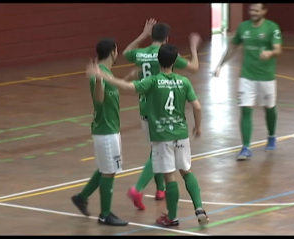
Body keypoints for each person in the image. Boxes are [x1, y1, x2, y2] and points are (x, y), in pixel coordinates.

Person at [86, 43, 209, 228]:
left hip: (161, 135)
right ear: (175, 61)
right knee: (186, 170)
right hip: (181, 134)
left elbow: (127, 87)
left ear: (158, 61)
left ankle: (172, 217)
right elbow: (197, 107)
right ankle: (199, 209)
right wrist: (198, 128)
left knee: (170, 177)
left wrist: (105, 77)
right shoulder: (184, 82)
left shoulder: (153, 81)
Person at [122, 19, 201, 210]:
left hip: (144, 107)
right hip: (162, 111)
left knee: (156, 148)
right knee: (158, 151)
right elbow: (194, 68)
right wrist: (193, 46)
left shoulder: (141, 53)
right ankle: (138, 188)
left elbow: (125, 53)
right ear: (167, 38)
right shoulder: (166, 53)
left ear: (152, 35)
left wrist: (142, 34)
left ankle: (160, 189)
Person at [213, 3, 283, 161]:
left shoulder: (272, 27)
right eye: (252, 10)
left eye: (257, 10)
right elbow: (232, 47)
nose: (254, 13)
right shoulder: (243, 27)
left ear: (264, 11)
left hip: (266, 76)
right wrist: (220, 65)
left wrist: (270, 52)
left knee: (269, 108)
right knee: (245, 110)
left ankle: (272, 135)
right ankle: (246, 147)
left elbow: (278, 49)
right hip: (247, 76)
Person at [70, 38, 128, 226]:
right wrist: (98, 81)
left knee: (105, 168)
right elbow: (100, 99)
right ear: (112, 52)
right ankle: (105, 214)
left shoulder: (106, 73)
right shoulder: (99, 74)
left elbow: (110, 91)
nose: (117, 53)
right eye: (117, 50)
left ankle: (81, 197)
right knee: (109, 171)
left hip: (110, 128)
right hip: (105, 130)